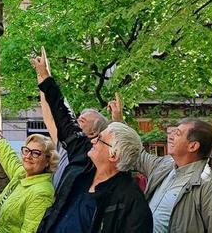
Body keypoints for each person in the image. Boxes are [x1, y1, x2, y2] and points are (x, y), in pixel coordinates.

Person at [32, 47, 153, 233]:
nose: (94, 141)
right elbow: (65, 120)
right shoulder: (83, 157)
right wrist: (47, 80)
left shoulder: (131, 204)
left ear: (114, 155)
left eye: (101, 139)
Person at [108, 97, 212, 233]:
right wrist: (119, 121)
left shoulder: (211, 188)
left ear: (193, 146)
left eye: (178, 134)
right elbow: (137, 155)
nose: (171, 137)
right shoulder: (165, 165)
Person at [0, 113, 56, 233]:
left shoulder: (42, 193)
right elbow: (8, 157)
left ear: (48, 160)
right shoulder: (22, 174)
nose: (28, 156)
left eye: (36, 153)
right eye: (26, 150)